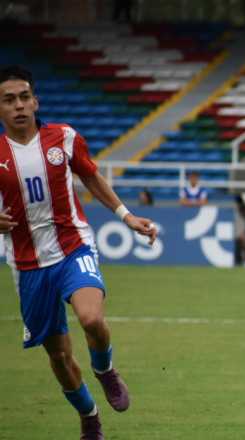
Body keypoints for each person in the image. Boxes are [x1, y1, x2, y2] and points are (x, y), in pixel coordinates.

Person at [0, 65, 158, 439]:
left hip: (74, 246)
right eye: (9, 100)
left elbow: (90, 175)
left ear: (36, 101)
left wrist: (126, 215)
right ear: (1, 109)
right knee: (58, 356)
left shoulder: (64, 138)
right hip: (28, 265)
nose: (19, 106)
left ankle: (105, 371)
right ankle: (89, 416)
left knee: (91, 320)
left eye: (24, 97)